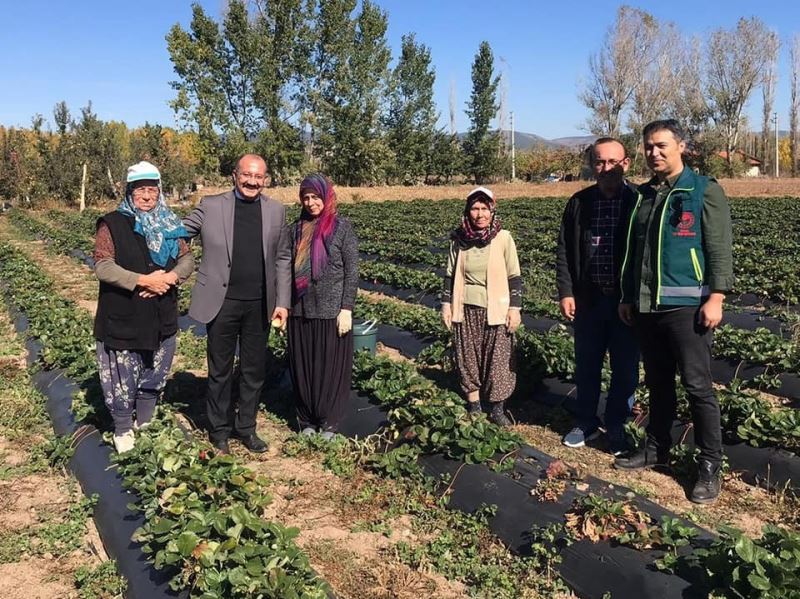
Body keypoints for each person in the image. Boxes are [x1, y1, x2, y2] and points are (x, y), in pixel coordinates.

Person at [614, 119, 734, 505]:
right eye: (649, 146)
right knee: (659, 382)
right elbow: (636, 253)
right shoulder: (644, 195)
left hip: (687, 308)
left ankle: (710, 465)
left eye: (662, 145)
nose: (654, 153)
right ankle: (656, 448)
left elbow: (718, 248)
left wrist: (716, 296)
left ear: (681, 146)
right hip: (648, 306)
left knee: (698, 386)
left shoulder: (702, 190)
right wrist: (629, 295)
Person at [183, 154, 291, 455]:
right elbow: (181, 233)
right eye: (247, 175)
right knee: (220, 370)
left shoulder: (276, 211)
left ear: (265, 179)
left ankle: (246, 428)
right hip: (222, 301)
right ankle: (218, 430)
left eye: (259, 177)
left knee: (253, 371)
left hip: (260, 304)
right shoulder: (211, 205)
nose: (252, 182)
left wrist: (283, 302)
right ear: (235, 175)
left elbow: (283, 258)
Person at [93, 161, 194, 453]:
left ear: (159, 192)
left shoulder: (172, 224)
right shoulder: (112, 223)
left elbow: (187, 259)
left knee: (155, 367)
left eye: (152, 190)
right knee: (122, 373)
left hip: (162, 311)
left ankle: (145, 421)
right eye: (140, 190)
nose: (147, 196)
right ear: (129, 191)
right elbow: (103, 266)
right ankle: (123, 428)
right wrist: (142, 281)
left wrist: (172, 276)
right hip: (124, 313)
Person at [556, 138, 640, 455]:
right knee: (587, 364)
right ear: (593, 165)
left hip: (626, 302)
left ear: (626, 163)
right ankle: (586, 421)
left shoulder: (638, 201)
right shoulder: (579, 203)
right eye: (600, 162)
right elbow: (564, 249)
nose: (605, 168)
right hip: (589, 299)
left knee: (625, 367)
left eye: (612, 162)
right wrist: (566, 291)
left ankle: (616, 423)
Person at [441, 186, 522, 426]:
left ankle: (497, 409)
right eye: (475, 209)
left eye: (484, 209)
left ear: (492, 210)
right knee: (468, 358)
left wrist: (515, 308)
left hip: (496, 309)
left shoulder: (503, 238)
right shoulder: (459, 240)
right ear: (468, 212)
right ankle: (475, 406)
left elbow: (514, 276)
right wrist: (446, 305)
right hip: (465, 308)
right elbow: (449, 275)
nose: (480, 214)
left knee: (497, 359)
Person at [287, 174, 358, 439]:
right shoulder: (296, 230)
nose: (310, 202)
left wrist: (346, 308)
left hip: (332, 311)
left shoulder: (342, 228)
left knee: (331, 368)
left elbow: (352, 271)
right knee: (304, 365)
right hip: (301, 309)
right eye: (306, 197)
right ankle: (306, 419)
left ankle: (329, 421)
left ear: (326, 196)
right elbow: (285, 268)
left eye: (315, 196)